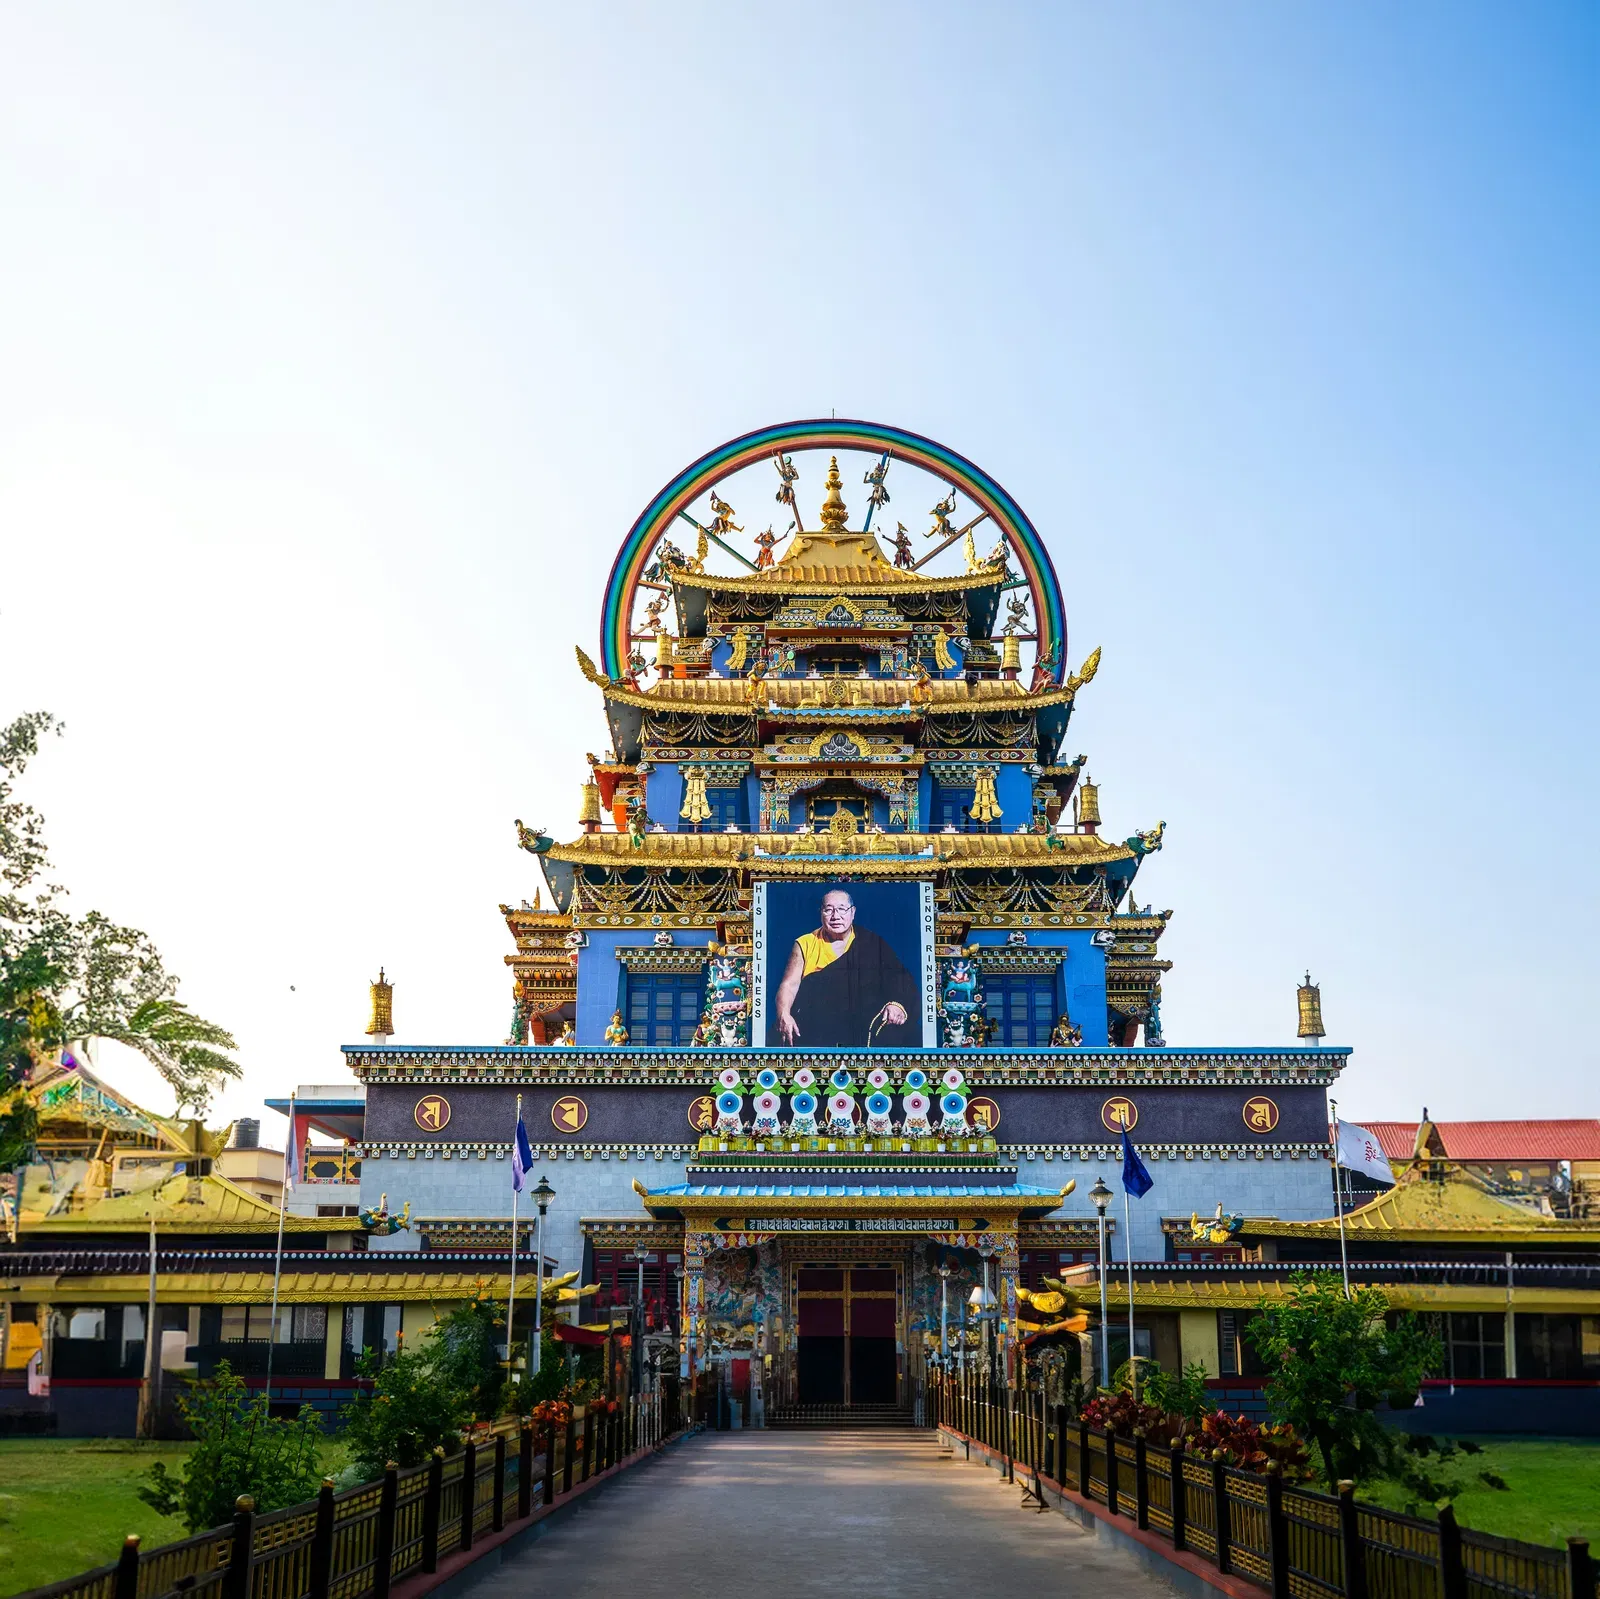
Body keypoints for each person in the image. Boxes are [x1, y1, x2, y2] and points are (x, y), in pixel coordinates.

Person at [774, 889, 919, 1046]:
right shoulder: (805, 943)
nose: (835, 916)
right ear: (821, 913)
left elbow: (899, 978)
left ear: (853, 912)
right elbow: (789, 984)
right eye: (828, 910)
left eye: (842, 909)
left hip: (862, 1027)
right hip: (816, 1028)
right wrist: (784, 1014)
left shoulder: (870, 943)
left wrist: (896, 1004)